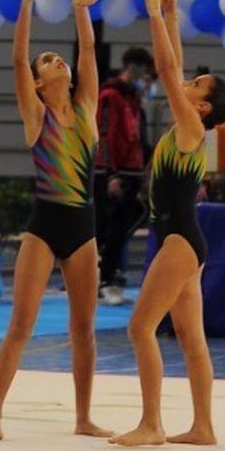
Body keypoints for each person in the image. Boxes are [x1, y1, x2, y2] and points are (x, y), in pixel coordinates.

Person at [0, 0, 109, 444]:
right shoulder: (36, 117)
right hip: (44, 227)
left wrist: (80, 3)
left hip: (83, 227)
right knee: (22, 324)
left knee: (84, 329)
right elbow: (18, 61)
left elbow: (89, 48)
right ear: (38, 83)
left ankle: (83, 417)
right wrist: (26, 3)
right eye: (49, 61)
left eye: (60, 59)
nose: (59, 62)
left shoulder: (87, 108)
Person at [111, 0, 225, 450]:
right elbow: (175, 66)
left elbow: (166, 68)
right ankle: (203, 427)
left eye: (195, 86)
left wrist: (151, 12)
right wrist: (172, 13)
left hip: (179, 240)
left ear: (201, 106)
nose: (186, 82)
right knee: (190, 338)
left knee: (139, 327)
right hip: (185, 239)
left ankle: (152, 424)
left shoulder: (190, 126)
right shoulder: (191, 125)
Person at [94, 44, 155, 303]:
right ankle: (105, 279)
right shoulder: (110, 96)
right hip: (114, 171)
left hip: (133, 170)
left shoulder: (134, 99)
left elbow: (138, 137)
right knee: (111, 227)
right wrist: (112, 174)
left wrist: (144, 171)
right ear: (133, 68)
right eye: (145, 73)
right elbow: (104, 135)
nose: (147, 80)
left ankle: (110, 272)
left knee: (124, 226)